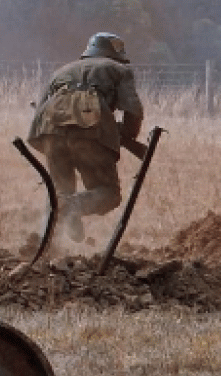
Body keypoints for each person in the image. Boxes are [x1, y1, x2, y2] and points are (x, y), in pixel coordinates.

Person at [27, 32, 144, 242]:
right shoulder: (119, 70)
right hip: (91, 134)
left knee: (59, 190)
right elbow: (134, 111)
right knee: (109, 194)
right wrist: (126, 135)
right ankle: (72, 207)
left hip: (50, 133)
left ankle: (48, 242)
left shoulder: (61, 71)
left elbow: (40, 111)